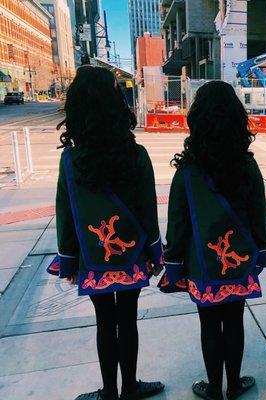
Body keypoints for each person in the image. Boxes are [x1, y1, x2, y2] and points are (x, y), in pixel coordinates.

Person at [46, 66, 165, 400]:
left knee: (103, 321)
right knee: (127, 319)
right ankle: (130, 388)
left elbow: (65, 213)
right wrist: (155, 254)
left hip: (93, 256)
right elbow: (147, 210)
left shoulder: (70, 160)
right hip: (133, 254)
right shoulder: (136, 154)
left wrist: (69, 261)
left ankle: (109, 392)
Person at [158, 81, 266, 400]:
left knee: (209, 325)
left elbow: (177, 223)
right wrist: (262, 251)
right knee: (235, 322)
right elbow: (258, 212)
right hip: (238, 260)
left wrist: (174, 263)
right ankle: (234, 384)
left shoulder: (187, 171)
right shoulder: (247, 165)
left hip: (201, 264)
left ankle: (214, 389)